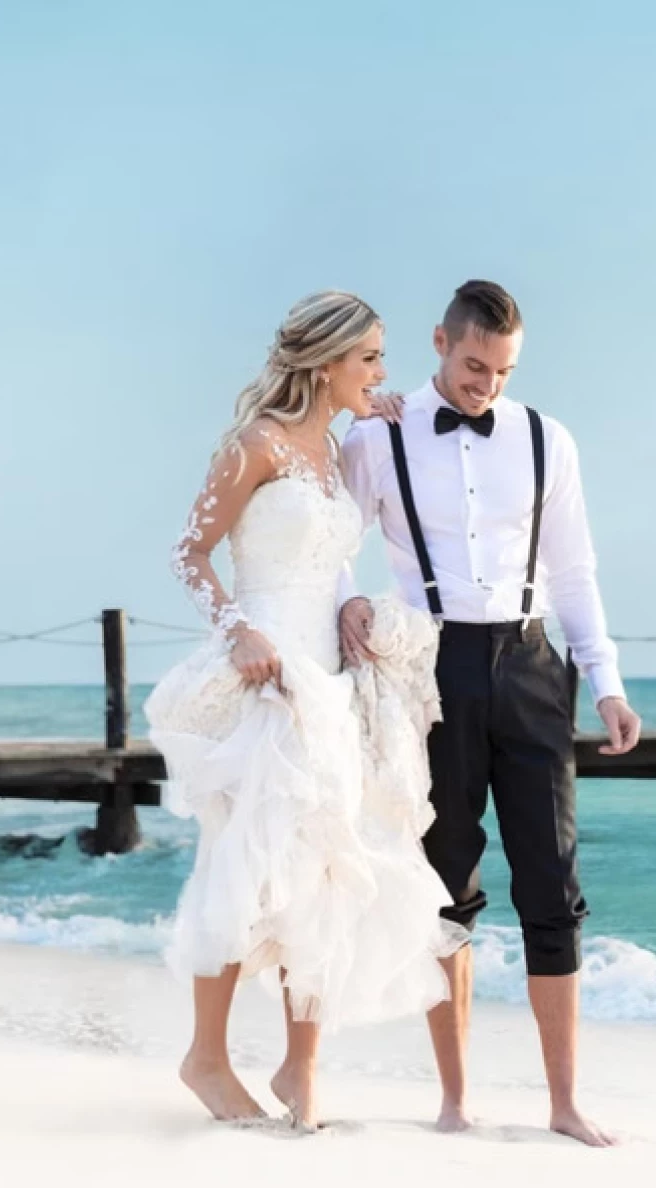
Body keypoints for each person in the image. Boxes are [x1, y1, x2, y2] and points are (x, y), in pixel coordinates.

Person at [145, 290, 460, 1131]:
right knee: (248, 869)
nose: (382, 374)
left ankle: (302, 1073)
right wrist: (237, 629)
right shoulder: (257, 445)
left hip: (331, 676)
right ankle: (206, 1056)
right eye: (371, 360)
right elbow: (189, 551)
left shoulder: (334, 450)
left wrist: (356, 607)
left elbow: (335, 562)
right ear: (326, 363)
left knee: (329, 873)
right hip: (267, 676)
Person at [337, 280, 642, 1146]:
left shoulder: (548, 440)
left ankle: (564, 1103)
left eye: (502, 372)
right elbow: (330, 539)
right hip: (430, 667)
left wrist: (607, 681)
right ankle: (455, 1100)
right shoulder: (378, 435)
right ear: (440, 342)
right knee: (447, 884)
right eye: (474, 366)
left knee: (552, 883)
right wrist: (343, 600)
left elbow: (575, 569)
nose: (486, 387)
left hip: (535, 667)